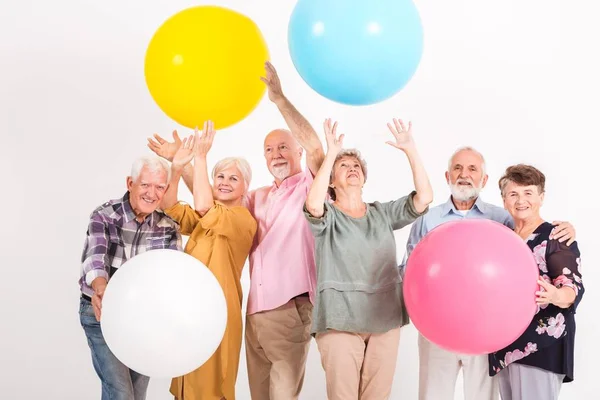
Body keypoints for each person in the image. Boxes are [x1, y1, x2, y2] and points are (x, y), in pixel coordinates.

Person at [147, 62, 325, 400]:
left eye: (284, 147)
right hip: (253, 310)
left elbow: (315, 149)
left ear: (298, 151)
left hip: (289, 306)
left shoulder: (308, 187)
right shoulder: (255, 199)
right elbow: (206, 203)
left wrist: (280, 99)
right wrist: (180, 164)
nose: (276, 154)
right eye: (269, 150)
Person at [399, 147, 577, 400]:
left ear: (484, 180)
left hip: (486, 329)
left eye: (473, 169)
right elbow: (409, 271)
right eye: (458, 168)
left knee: (483, 396)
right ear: (447, 176)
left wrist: (567, 229)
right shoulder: (427, 219)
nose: (464, 174)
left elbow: (521, 251)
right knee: (432, 394)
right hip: (437, 327)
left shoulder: (501, 218)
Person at [304, 118, 433, 400]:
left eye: (356, 167)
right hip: (339, 318)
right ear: (331, 181)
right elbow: (313, 205)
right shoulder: (328, 215)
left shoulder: (381, 213)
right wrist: (331, 152)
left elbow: (424, 197)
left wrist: (411, 149)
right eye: (344, 167)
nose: (352, 169)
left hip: (384, 317)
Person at [161, 121, 257, 400]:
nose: (224, 183)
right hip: (191, 308)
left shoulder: (242, 220)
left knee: (210, 387)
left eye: (233, 179)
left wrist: (200, 156)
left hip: (218, 312)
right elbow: (170, 210)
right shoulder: (206, 217)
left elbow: (203, 204)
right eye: (220, 177)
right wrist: (176, 169)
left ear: (245, 188)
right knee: (186, 382)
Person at [79, 155, 182, 400]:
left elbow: (172, 273)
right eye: (145, 185)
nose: (151, 193)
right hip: (101, 312)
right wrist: (101, 288)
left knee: (136, 394)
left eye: (159, 187)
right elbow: (95, 257)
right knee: (122, 394)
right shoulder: (104, 215)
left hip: (143, 318)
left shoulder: (168, 227)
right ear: (130, 183)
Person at [488, 164, 584, 400]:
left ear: (541, 197)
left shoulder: (556, 236)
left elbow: (572, 287)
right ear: (503, 200)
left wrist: (555, 296)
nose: (521, 200)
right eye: (513, 194)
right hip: (504, 345)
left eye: (528, 193)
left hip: (540, 345)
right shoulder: (502, 236)